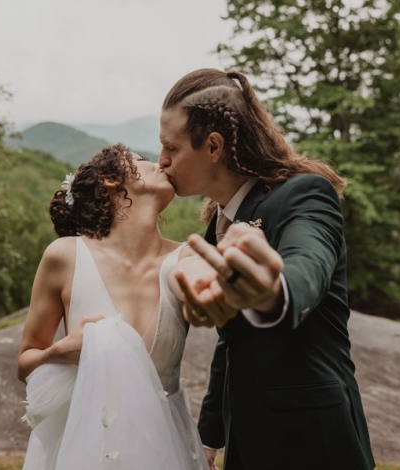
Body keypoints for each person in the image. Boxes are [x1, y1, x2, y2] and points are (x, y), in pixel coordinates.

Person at [158, 69, 375, 470]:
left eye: (171, 147)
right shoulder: (215, 226)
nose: (162, 161)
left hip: (314, 439)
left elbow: (307, 267)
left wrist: (271, 293)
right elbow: (231, 340)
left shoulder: (304, 193)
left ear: (213, 146)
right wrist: (211, 434)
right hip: (248, 441)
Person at [16, 144, 209, 470]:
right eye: (142, 160)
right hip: (86, 447)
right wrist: (59, 352)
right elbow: (25, 363)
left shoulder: (187, 259)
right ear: (109, 179)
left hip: (168, 447)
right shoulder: (65, 256)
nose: (159, 163)